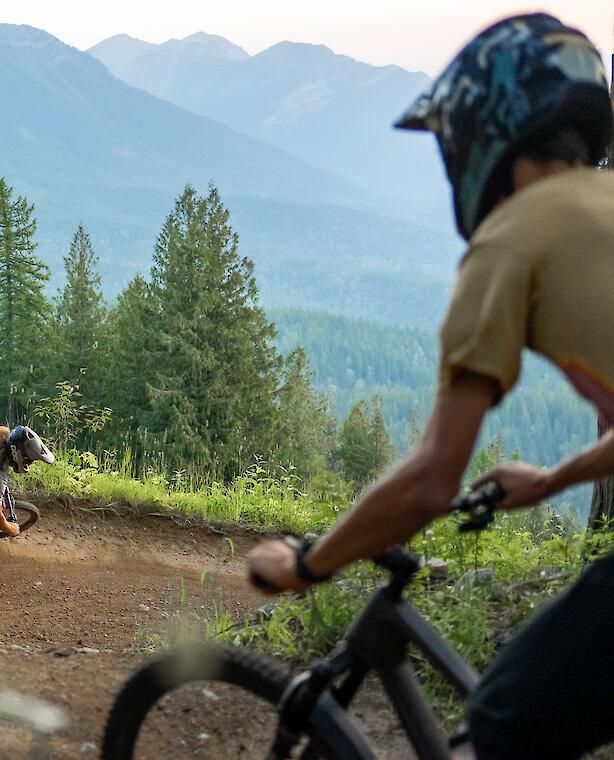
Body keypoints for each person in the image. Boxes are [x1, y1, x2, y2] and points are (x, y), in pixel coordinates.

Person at [247, 14, 614, 760]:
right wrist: (548, 481)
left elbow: (427, 482)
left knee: (505, 720)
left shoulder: (508, 240)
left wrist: (305, 565)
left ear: (487, 137)